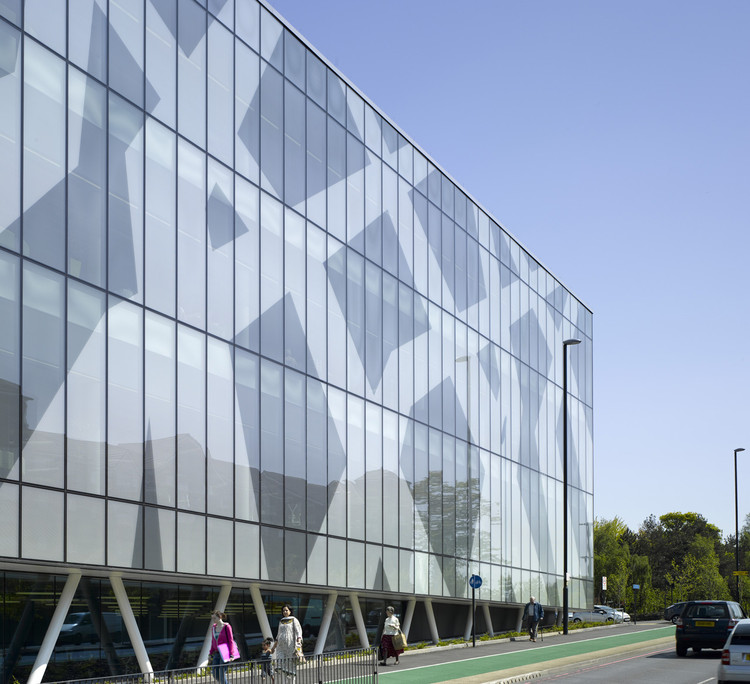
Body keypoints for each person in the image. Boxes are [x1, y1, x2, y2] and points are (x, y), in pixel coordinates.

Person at [208, 611, 239, 684]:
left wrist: (232, 654)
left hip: (225, 652)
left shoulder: (226, 626)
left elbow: (230, 641)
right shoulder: (213, 627)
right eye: (212, 618)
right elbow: (213, 641)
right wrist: (210, 653)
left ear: (220, 617)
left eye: (214, 618)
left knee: (222, 673)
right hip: (216, 653)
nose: (213, 620)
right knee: (215, 673)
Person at [272, 604, 303, 678]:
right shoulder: (281, 621)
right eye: (283, 611)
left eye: (286, 610)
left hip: (290, 643)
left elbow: (298, 631)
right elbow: (278, 633)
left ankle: (292, 678)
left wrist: (299, 640)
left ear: (290, 611)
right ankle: (284, 675)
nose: (285, 612)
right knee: (280, 659)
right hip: (281, 644)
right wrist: (273, 647)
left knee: (290, 661)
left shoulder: (294, 620)